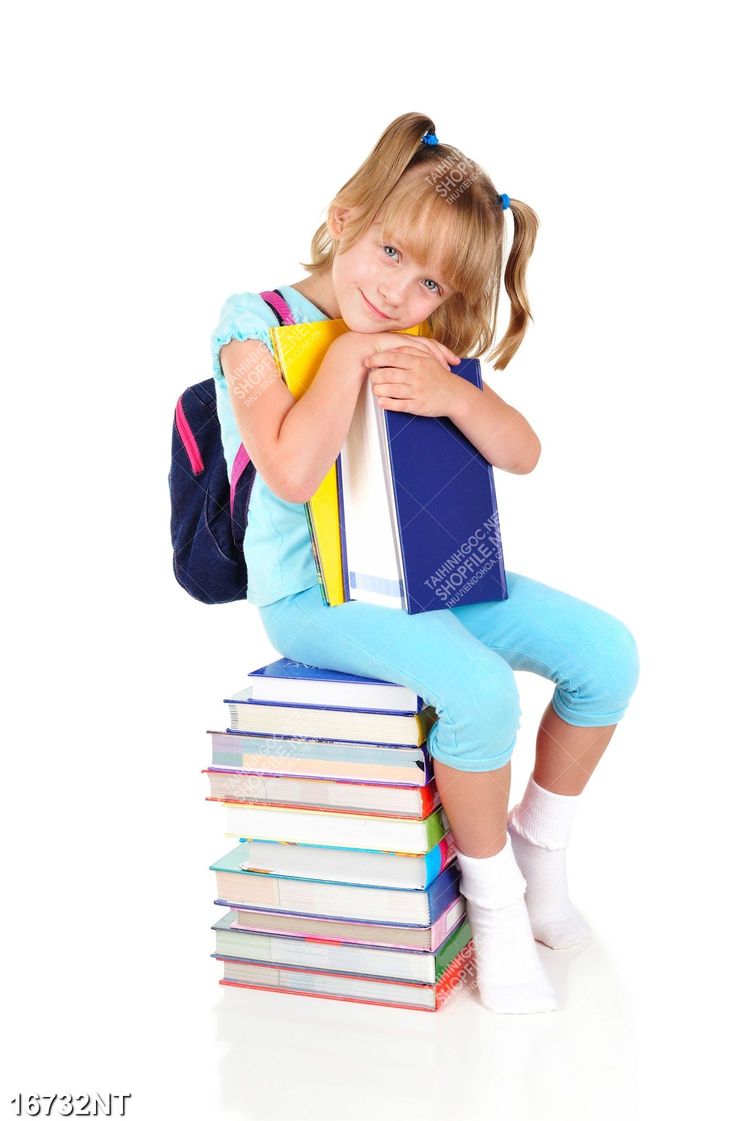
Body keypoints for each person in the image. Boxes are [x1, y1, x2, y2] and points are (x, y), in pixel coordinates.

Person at [210, 112, 640, 1014]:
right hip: (311, 595)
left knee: (607, 655)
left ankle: (540, 843)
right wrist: (349, 357)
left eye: (431, 282)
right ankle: (495, 903)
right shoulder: (252, 325)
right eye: (392, 251)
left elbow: (523, 453)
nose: (401, 290)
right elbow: (289, 469)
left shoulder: (419, 336)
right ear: (345, 216)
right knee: (480, 693)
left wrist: (451, 393)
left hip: (416, 574)